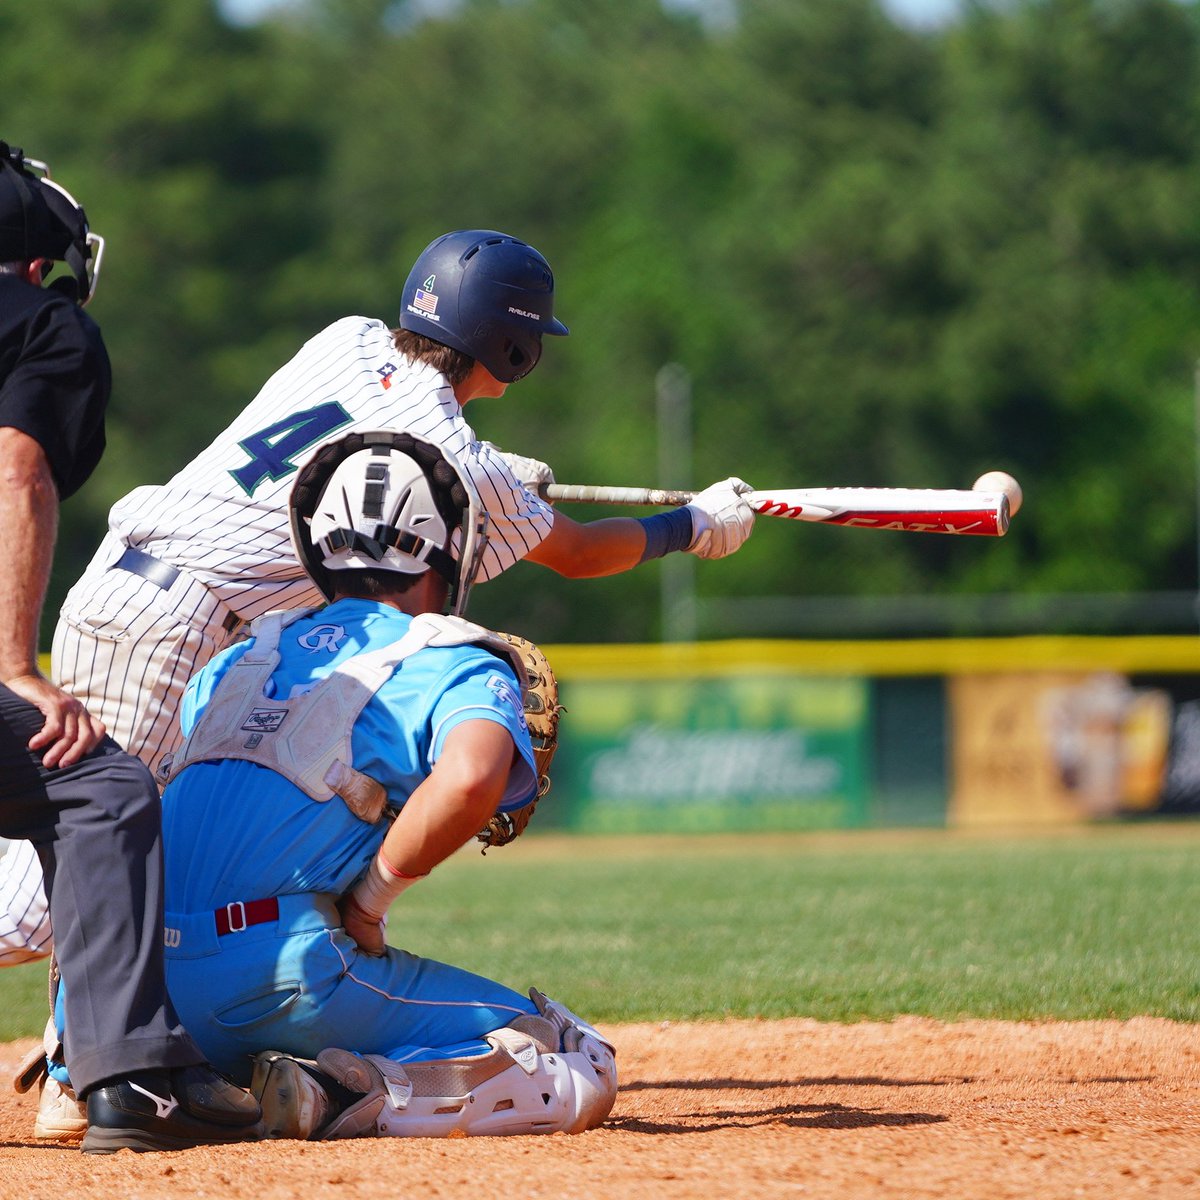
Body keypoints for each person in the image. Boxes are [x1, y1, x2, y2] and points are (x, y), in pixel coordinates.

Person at [12, 227, 753, 1131]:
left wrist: (494, 472)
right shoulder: (465, 468)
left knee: (121, 859)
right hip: (178, 627)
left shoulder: (348, 338)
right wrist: (695, 523)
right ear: (514, 350)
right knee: (76, 874)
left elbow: (350, 443)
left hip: (132, 589)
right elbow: (580, 551)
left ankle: (93, 1056)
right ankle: (78, 1069)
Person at [157, 430, 617, 1139]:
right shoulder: (447, 656)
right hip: (285, 980)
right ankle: (333, 1095)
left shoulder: (240, 658)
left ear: (316, 547)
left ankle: (106, 1079)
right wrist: (370, 903)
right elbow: (470, 779)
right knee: (574, 1057)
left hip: (146, 996)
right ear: (450, 549)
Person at [0, 139, 263, 1154]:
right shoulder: (47, 322)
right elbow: (17, 472)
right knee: (96, 786)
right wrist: (17, 666)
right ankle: (125, 1083)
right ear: (36, 261)